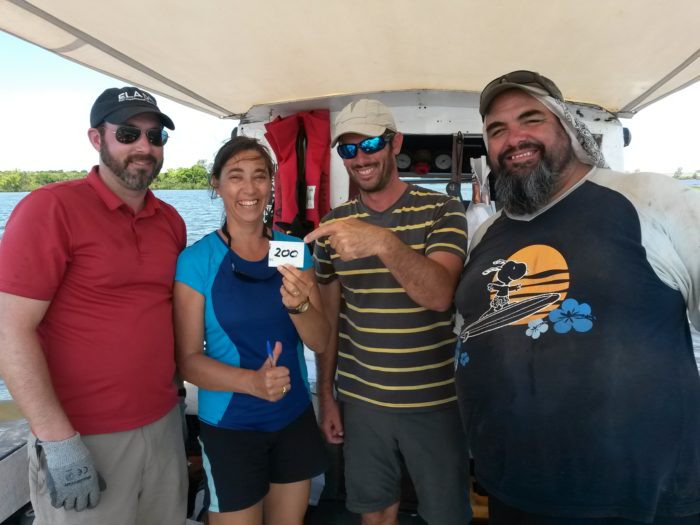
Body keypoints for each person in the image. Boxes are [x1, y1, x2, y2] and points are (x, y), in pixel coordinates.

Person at [454, 70, 700, 524]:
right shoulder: (487, 232)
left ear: (566, 126)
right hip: (512, 491)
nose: (514, 139)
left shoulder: (647, 198)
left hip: (636, 502)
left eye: (532, 120)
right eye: (497, 130)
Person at [0, 86, 188, 524]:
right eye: (128, 133)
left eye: (156, 136)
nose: (144, 146)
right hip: (84, 437)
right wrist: (59, 442)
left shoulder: (172, 221)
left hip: (163, 427)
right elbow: (9, 329)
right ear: (95, 138)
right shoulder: (49, 209)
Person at [305, 99, 471, 525]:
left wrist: (381, 242)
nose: (361, 158)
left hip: (435, 401)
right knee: (374, 512)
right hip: (362, 403)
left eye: (372, 144)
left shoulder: (443, 210)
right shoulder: (333, 223)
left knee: (446, 516)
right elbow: (330, 321)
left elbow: (439, 294)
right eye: (348, 150)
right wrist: (327, 396)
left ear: (395, 143)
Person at [173, 136, 329, 525]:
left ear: (272, 183)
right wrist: (252, 383)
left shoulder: (292, 249)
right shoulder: (198, 260)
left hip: (292, 419)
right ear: (217, 184)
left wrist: (301, 305)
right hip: (230, 426)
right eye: (236, 176)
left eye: (260, 176)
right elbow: (188, 362)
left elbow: (319, 339)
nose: (249, 189)